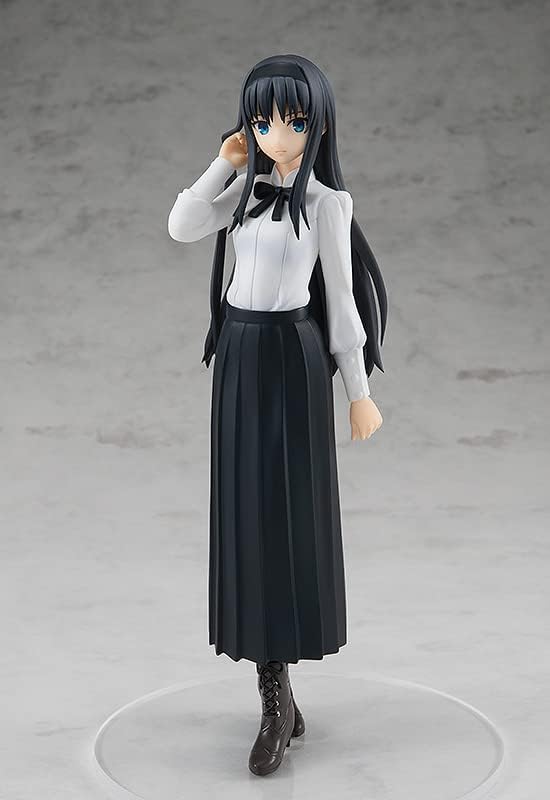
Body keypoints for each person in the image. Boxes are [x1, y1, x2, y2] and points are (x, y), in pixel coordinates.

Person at [167, 53, 387, 776]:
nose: (277, 134)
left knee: (285, 520)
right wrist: (221, 164)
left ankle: (276, 699)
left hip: (293, 359)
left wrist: (358, 390)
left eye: (292, 120)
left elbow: (344, 305)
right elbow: (182, 225)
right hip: (239, 355)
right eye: (263, 121)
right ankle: (277, 696)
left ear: (317, 123)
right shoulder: (245, 192)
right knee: (246, 515)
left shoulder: (327, 205)